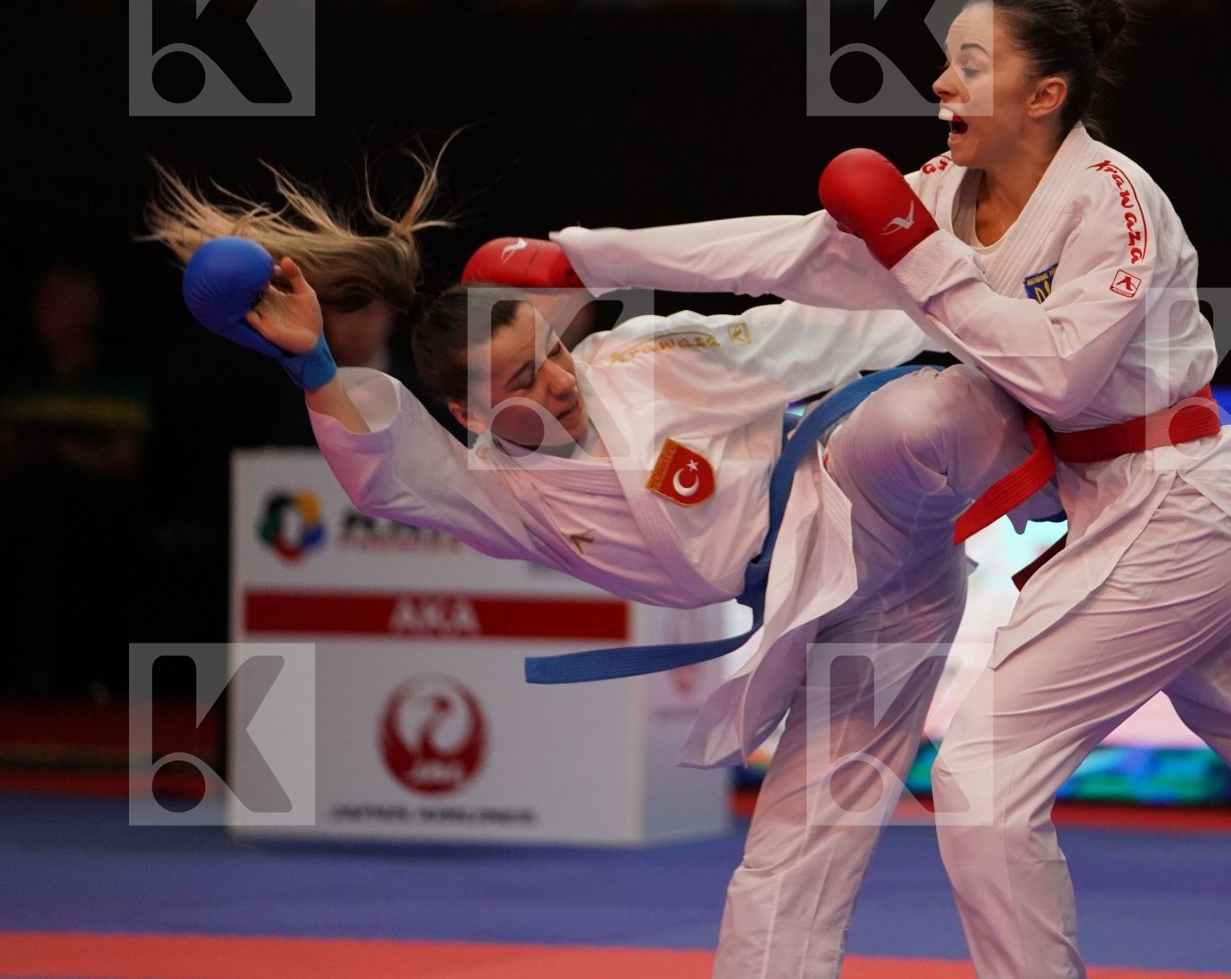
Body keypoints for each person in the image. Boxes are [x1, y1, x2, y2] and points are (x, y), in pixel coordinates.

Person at [501, 0, 1231, 979]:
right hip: (1121, 514)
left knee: (988, 770)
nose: (940, 80)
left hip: (1182, 500)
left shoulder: (1115, 201)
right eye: (943, 60)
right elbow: (782, 253)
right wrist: (590, 252)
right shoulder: (945, 196)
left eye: (970, 63)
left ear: (1045, 95)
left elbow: (1057, 365)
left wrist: (919, 257)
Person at [141, 157, 1054, 979]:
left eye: (550, 356)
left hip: (856, 492)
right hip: (848, 614)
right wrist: (312, 368)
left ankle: (1089, 484)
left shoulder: (639, 360)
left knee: (924, 418)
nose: (560, 382)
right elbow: (387, 473)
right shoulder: (497, 493)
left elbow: (804, 339)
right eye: (522, 385)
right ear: (469, 417)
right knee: (787, 867)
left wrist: (958, 287)